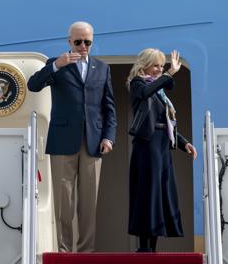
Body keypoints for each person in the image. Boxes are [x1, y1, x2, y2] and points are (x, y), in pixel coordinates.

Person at [27, 21, 117, 252]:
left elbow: (109, 108)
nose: (83, 46)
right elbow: (33, 85)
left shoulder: (102, 68)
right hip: (63, 141)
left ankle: (85, 252)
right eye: (78, 42)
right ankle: (65, 252)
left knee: (89, 204)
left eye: (87, 42)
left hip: (94, 142)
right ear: (69, 41)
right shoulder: (56, 65)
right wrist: (57, 65)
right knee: (63, 203)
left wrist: (109, 137)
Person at [126, 48, 197, 252]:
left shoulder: (160, 91)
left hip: (162, 145)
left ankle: (153, 248)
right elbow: (145, 93)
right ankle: (144, 247)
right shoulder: (138, 83)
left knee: (161, 194)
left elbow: (166, 122)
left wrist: (184, 143)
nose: (159, 69)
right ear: (144, 65)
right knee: (149, 194)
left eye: (161, 65)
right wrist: (169, 74)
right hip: (147, 146)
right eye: (155, 65)